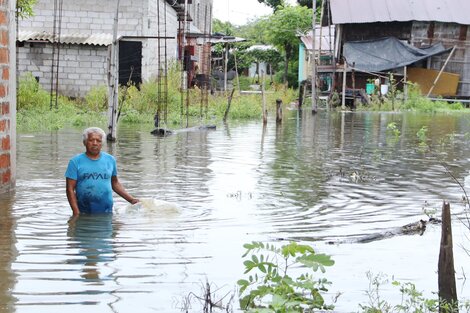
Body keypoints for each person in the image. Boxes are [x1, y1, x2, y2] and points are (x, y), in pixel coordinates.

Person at [65, 127, 138, 215]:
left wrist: (131, 200)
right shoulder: (75, 161)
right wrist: (76, 213)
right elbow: (70, 189)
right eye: (91, 140)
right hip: (84, 212)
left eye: (98, 141)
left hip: (106, 211)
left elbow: (114, 183)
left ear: (102, 143)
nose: (95, 143)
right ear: (85, 142)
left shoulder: (110, 160)